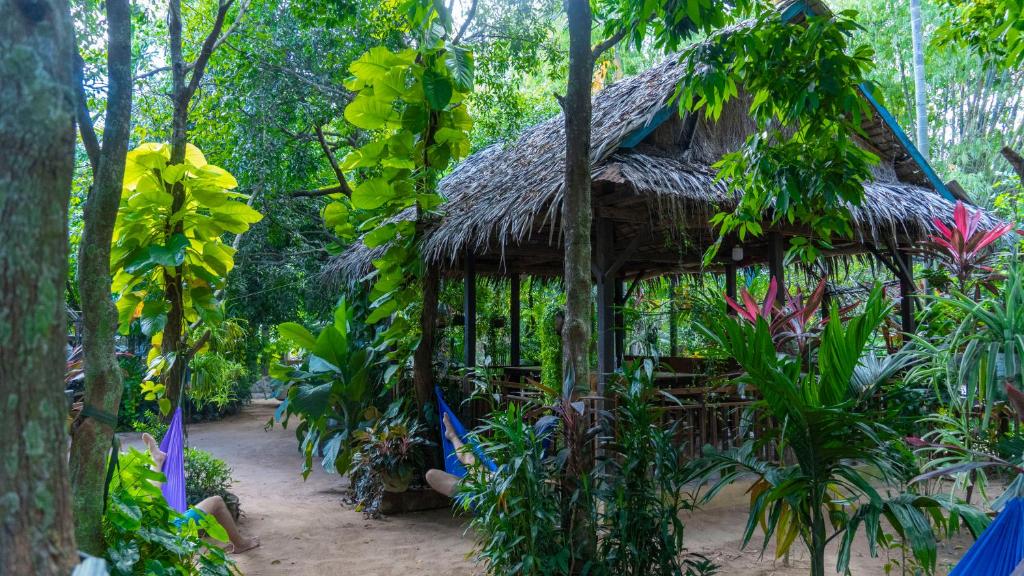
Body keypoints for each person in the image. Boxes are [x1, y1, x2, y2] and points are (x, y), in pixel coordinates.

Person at [141, 433, 260, 554]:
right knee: (216, 502)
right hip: (169, 532)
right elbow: (151, 500)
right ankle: (240, 544)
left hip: (157, 528)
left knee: (148, 503)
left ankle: (156, 460)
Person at [425, 412, 478, 498]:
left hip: (492, 492)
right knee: (473, 463)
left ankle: (467, 487)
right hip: (496, 481)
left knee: (432, 476)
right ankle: (452, 436)